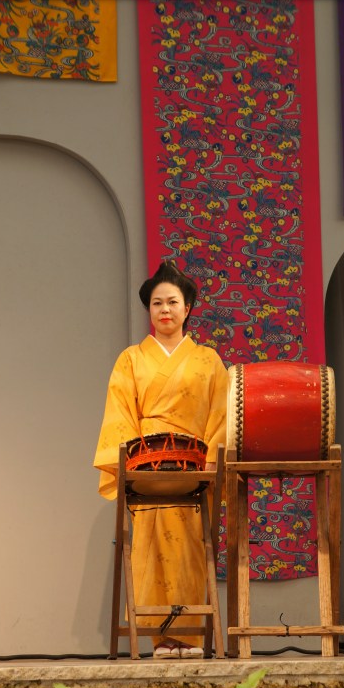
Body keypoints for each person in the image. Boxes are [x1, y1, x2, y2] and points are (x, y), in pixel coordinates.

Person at [94, 261, 228, 659]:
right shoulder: (131, 360)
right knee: (150, 550)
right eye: (156, 303)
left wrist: (208, 466)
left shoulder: (209, 361)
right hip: (149, 465)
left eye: (172, 302)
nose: (164, 310)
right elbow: (120, 414)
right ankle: (158, 638)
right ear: (149, 311)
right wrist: (136, 464)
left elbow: (220, 417)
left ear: (188, 309)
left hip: (193, 467)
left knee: (189, 548)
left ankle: (186, 636)